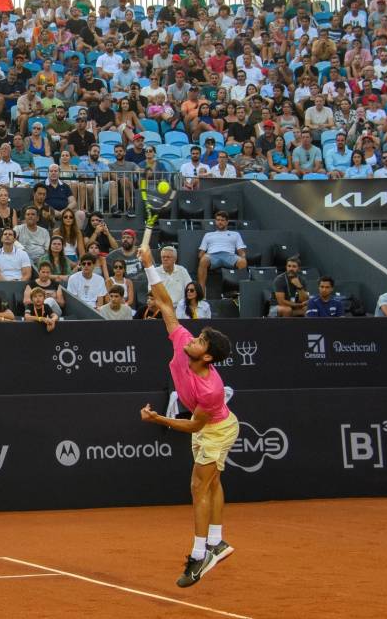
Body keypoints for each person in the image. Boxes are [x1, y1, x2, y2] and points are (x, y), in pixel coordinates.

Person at [137, 245, 239, 588]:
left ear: (207, 357)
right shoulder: (182, 342)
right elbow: (165, 303)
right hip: (212, 424)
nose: (192, 339)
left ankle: (200, 555)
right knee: (214, 481)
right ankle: (218, 540)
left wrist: (159, 421)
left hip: (217, 428)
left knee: (199, 486)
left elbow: (196, 425)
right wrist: (150, 265)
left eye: (199, 341)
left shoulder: (210, 388)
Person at [196, 211, 247, 290]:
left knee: (242, 262)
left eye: (222, 220)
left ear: (227, 222)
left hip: (229, 256)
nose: (220, 222)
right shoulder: (208, 235)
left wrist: (243, 257)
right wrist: (204, 258)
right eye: (218, 220)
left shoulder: (235, 234)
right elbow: (201, 253)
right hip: (213, 256)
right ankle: (201, 291)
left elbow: (241, 251)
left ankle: (243, 290)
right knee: (203, 260)